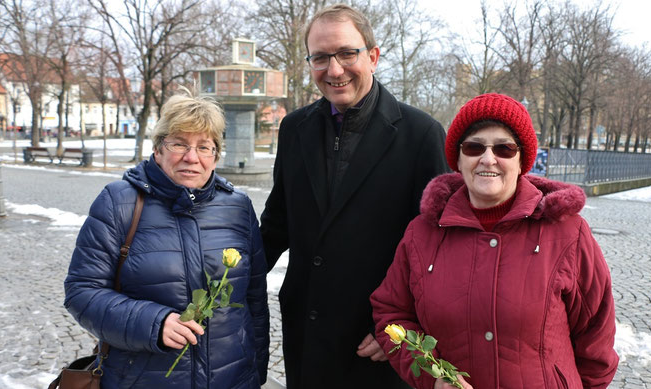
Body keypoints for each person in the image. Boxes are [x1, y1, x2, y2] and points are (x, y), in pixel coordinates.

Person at [371, 93, 619, 389]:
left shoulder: (567, 233)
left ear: (522, 159)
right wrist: (433, 377)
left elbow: (596, 336)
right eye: (474, 146)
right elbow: (392, 318)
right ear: (459, 158)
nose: (488, 158)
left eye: (504, 148)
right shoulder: (422, 234)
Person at [259, 4, 449, 388]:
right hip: (307, 332)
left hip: (376, 340)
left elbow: (439, 246)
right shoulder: (294, 129)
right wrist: (220, 288)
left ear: (373, 56)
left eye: (347, 53)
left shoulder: (421, 134)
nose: (334, 69)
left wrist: (403, 323)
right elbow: (277, 225)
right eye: (320, 57)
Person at [64, 91, 269, 388]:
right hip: (143, 379)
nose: (191, 157)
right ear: (158, 149)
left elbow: (254, 299)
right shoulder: (118, 202)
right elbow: (81, 290)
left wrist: (255, 373)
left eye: (204, 147)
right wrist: (153, 323)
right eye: (179, 144)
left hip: (233, 379)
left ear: (215, 156)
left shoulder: (237, 206)